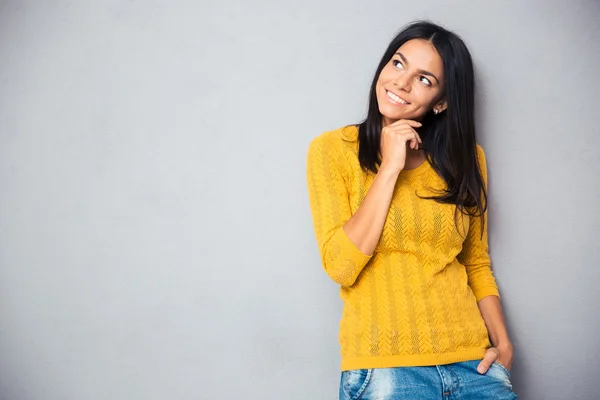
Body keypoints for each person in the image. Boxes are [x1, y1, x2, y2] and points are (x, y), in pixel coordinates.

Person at [306, 20, 518, 399]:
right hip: (385, 369)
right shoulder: (332, 151)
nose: (401, 83)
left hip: (473, 364)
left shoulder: (467, 159)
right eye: (398, 63)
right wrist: (389, 167)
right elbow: (340, 266)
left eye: (424, 79)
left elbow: (476, 262)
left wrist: (503, 345)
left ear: (442, 101)